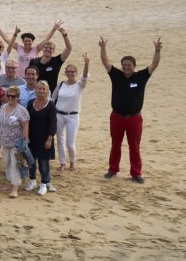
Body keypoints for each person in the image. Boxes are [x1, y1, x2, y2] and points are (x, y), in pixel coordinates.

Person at [100, 36, 161, 183]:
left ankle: (136, 173)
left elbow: (154, 64)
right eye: (124, 65)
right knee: (116, 144)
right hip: (117, 116)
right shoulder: (116, 75)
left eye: (129, 65)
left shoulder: (141, 76)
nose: (126, 67)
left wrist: (157, 50)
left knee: (134, 146)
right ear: (121, 66)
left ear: (134, 66)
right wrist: (103, 48)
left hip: (134, 118)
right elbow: (105, 62)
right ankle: (112, 169)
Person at [53, 53, 90, 172]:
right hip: (59, 115)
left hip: (73, 116)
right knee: (60, 140)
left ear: (76, 73)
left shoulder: (80, 85)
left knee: (70, 142)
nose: (70, 73)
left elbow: (84, 77)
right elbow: (53, 98)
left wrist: (86, 64)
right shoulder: (61, 84)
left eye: (72, 71)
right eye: (68, 71)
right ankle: (62, 163)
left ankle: (72, 162)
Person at [0, 86, 31, 198]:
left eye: (12, 96)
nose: (10, 98)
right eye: (8, 95)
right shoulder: (3, 107)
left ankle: (15, 189)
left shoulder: (22, 111)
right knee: (7, 163)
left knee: (15, 164)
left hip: (16, 142)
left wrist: (23, 142)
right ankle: (10, 184)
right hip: (5, 141)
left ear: (18, 97)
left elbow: (25, 128)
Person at [25, 82, 58, 196]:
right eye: (39, 88)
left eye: (44, 89)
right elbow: (26, 120)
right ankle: (32, 180)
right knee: (31, 161)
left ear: (47, 91)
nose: (41, 91)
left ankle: (44, 183)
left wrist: (50, 139)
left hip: (45, 138)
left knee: (44, 162)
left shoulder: (51, 105)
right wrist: (25, 136)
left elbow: (53, 124)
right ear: (36, 90)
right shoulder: (30, 103)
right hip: (31, 137)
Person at [29, 25, 73, 92]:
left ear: (53, 50)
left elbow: (69, 48)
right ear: (42, 49)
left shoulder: (57, 60)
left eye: (50, 48)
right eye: (46, 47)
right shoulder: (34, 61)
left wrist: (65, 35)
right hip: (36, 93)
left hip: (51, 94)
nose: (48, 49)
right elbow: (29, 77)